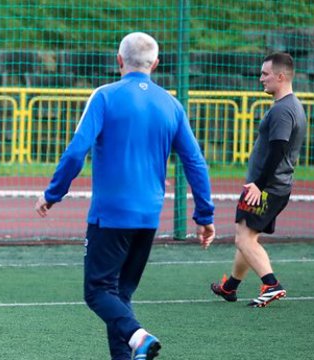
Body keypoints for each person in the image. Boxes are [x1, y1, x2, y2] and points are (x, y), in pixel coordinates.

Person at [34, 32, 215, 360]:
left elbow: (77, 152)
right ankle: (132, 349)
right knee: (119, 296)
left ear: (119, 60)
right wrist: (205, 216)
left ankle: (139, 337)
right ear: (155, 64)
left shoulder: (104, 96)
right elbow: (195, 162)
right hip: (148, 218)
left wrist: (53, 193)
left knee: (97, 292)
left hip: (110, 216)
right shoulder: (171, 105)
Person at [211, 53, 306, 308]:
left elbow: (278, 150)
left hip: (265, 188)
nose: (260, 78)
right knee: (247, 236)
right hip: (273, 187)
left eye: (265, 74)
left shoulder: (284, 110)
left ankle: (271, 284)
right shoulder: (290, 105)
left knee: (243, 238)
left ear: (281, 76)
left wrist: (258, 185)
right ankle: (230, 287)